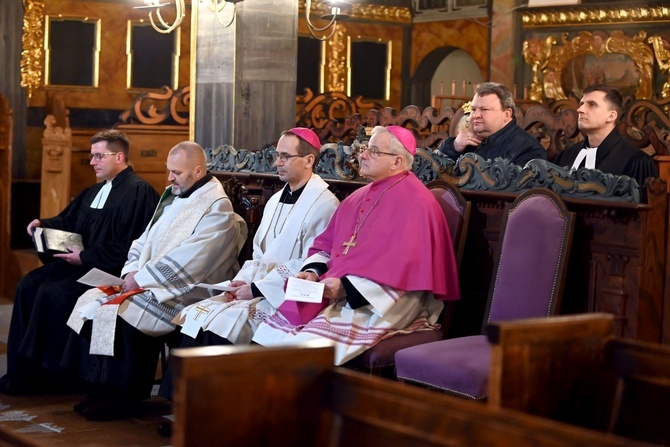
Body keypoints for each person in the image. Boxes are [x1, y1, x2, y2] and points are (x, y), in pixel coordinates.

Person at [155, 128, 339, 437]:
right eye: (275, 155)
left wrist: (255, 289)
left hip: (284, 296)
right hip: (255, 287)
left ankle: (217, 413)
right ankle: (185, 406)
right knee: (195, 317)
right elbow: (258, 255)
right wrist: (238, 284)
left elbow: (311, 262)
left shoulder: (325, 205)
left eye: (284, 156)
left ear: (309, 160)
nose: (276, 162)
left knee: (219, 329)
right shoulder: (277, 197)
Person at [62, 141, 247, 421]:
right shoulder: (173, 196)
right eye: (168, 171)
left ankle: (127, 397)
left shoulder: (217, 209)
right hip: (150, 283)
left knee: (123, 314)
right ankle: (101, 390)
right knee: (92, 302)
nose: (170, 178)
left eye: (177, 172)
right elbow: (143, 239)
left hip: (184, 291)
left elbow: (193, 260)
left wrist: (143, 279)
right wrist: (130, 271)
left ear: (198, 170)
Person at [252, 125, 461, 365]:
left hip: (383, 302)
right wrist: (313, 272)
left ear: (397, 161)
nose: (362, 155)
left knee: (303, 351)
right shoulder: (356, 198)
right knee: (266, 340)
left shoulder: (417, 203)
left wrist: (346, 288)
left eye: (373, 151)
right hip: (340, 293)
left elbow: (404, 270)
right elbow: (326, 244)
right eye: (365, 149)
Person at [0, 130, 159, 396]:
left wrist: (84, 257)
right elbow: (70, 223)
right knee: (29, 284)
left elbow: (129, 244)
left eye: (99, 156)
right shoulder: (95, 190)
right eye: (91, 156)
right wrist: (44, 226)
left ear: (119, 157)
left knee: (53, 292)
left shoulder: (138, 192)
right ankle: (27, 370)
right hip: (81, 262)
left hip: (107, 269)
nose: (92, 162)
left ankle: (55, 373)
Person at [553, 84, 658, 189]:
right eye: (582, 104)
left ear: (611, 116)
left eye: (592, 104)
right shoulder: (566, 156)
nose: (580, 109)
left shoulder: (636, 161)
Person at [437, 82, 547, 166]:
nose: (476, 115)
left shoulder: (528, 149)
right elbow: (433, 169)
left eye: (484, 109)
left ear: (507, 114)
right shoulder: (464, 143)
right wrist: (453, 147)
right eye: (473, 109)